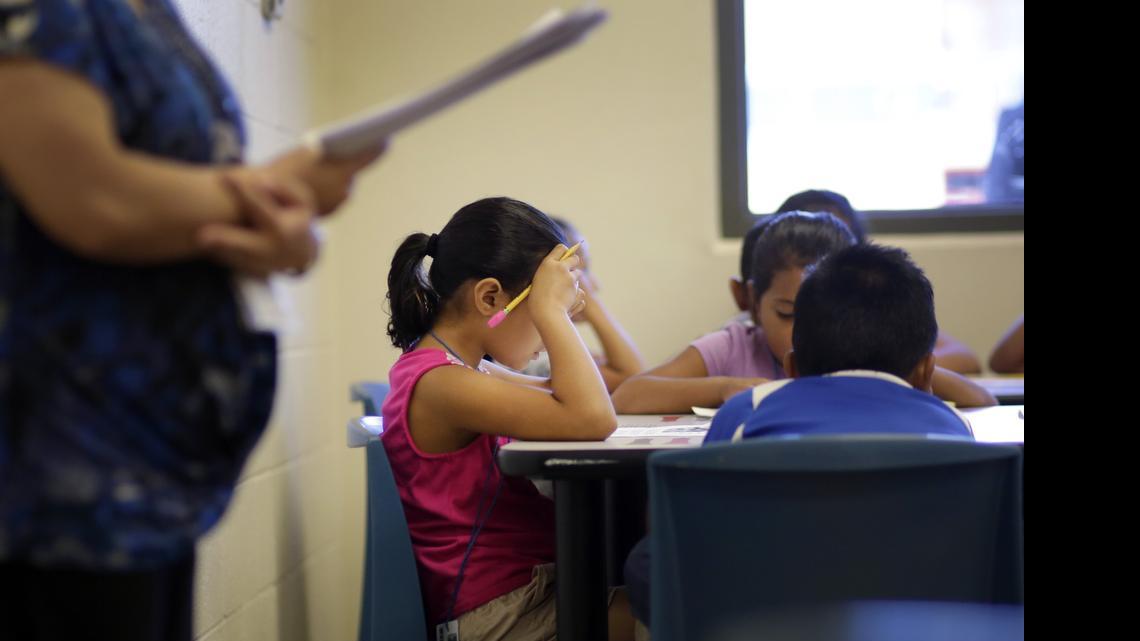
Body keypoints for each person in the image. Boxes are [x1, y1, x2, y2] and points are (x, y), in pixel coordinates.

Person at [0, 1, 381, 638]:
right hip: (59, 477)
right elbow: (94, 198)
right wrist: (282, 191)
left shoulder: (152, 15)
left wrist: (291, 234)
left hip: (152, 475)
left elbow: (186, 203)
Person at [623, 243, 974, 628]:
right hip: (913, 612)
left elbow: (685, 525)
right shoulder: (951, 428)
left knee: (649, 558)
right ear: (926, 372)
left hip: (766, 610)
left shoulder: (747, 410)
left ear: (791, 366)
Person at [381, 197, 634, 641]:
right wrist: (552, 312)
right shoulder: (442, 383)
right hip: (499, 616)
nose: (544, 333)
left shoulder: (462, 368)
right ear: (490, 297)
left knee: (665, 595)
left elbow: (569, 395)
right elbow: (593, 417)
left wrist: (551, 306)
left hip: (520, 596)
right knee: (675, 611)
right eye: (535, 312)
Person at [613, 211, 856, 414]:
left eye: (825, 315)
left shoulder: (863, 347)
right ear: (754, 302)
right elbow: (627, 396)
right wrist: (722, 388)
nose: (804, 333)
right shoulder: (732, 348)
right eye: (786, 313)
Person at [774, 188, 983, 374]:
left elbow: (965, 357)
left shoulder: (875, 311)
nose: (818, 265)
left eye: (839, 245)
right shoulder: (744, 340)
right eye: (786, 313)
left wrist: (893, 368)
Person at [522, 216, 645, 392]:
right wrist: (593, 304)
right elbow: (633, 381)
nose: (595, 285)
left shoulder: (541, 346)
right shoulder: (529, 352)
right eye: (583, 271)